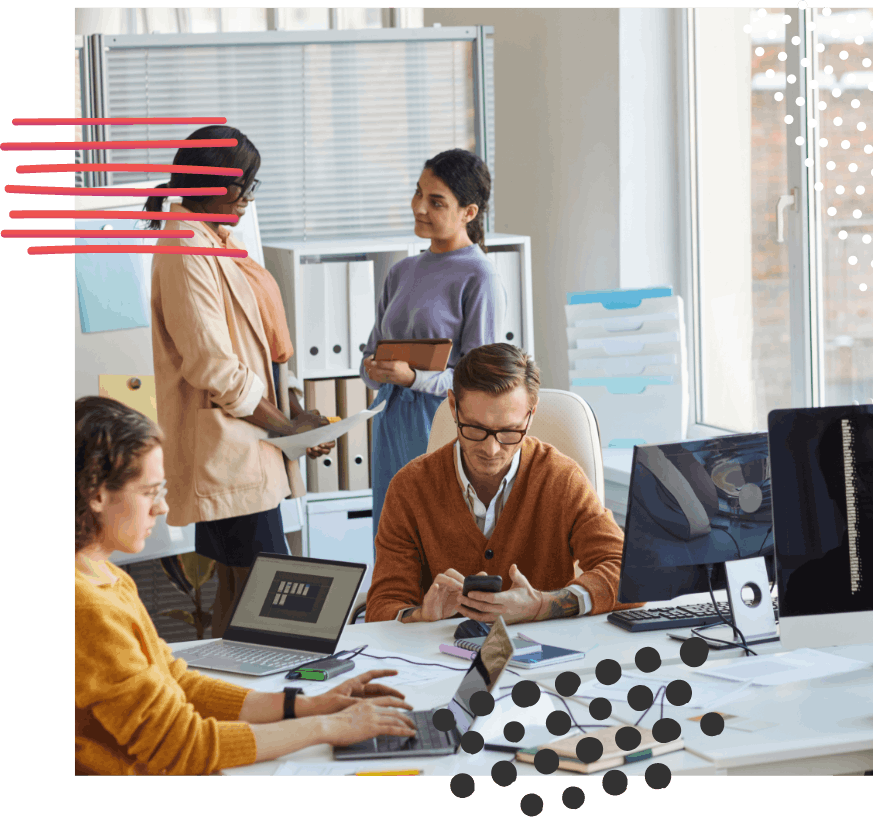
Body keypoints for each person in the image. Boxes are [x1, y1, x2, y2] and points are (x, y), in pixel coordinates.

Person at [74, 397, 414, 775]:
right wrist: (329, 727)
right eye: (149, 492)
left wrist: (305, 705)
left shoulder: (106, 577)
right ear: (97, 493)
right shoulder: (86, 607)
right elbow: (184, 745)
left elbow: (179, 682)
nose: (162, 507)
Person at [146, 125, 334, 637]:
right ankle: (256, 702)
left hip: (245, 450)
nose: (248, 199)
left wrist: (292, 416)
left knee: (242, 589)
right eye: (243, 186)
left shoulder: (211, 238)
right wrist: (284, 428)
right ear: (211, 184)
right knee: (273, 596)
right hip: (228, 452)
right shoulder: (187, 245)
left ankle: (232, 704)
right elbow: (213, 366)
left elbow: (256, 346)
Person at [366, 343, 639, 624]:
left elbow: (629, 575)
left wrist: (544, 605)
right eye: (475, 429)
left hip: (544, 656)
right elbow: (382, 606)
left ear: (530, 416)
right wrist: (420, 615)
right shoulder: (410, 488)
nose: (491, 449)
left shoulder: (561, 479)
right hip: (439, 658)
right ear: (452, 406)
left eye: (509, 432)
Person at [359, 149, 504, 537]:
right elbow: (370, 352)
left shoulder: (480, 278)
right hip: (390, 420)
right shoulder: (401, 272)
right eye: (418, 193)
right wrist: (373, 369)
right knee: (390, 536)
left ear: (468, 213)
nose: (419, 207)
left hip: (439, 424)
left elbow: (480, 382)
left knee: (435, 538)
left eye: (436, 201)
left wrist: (413, 379)